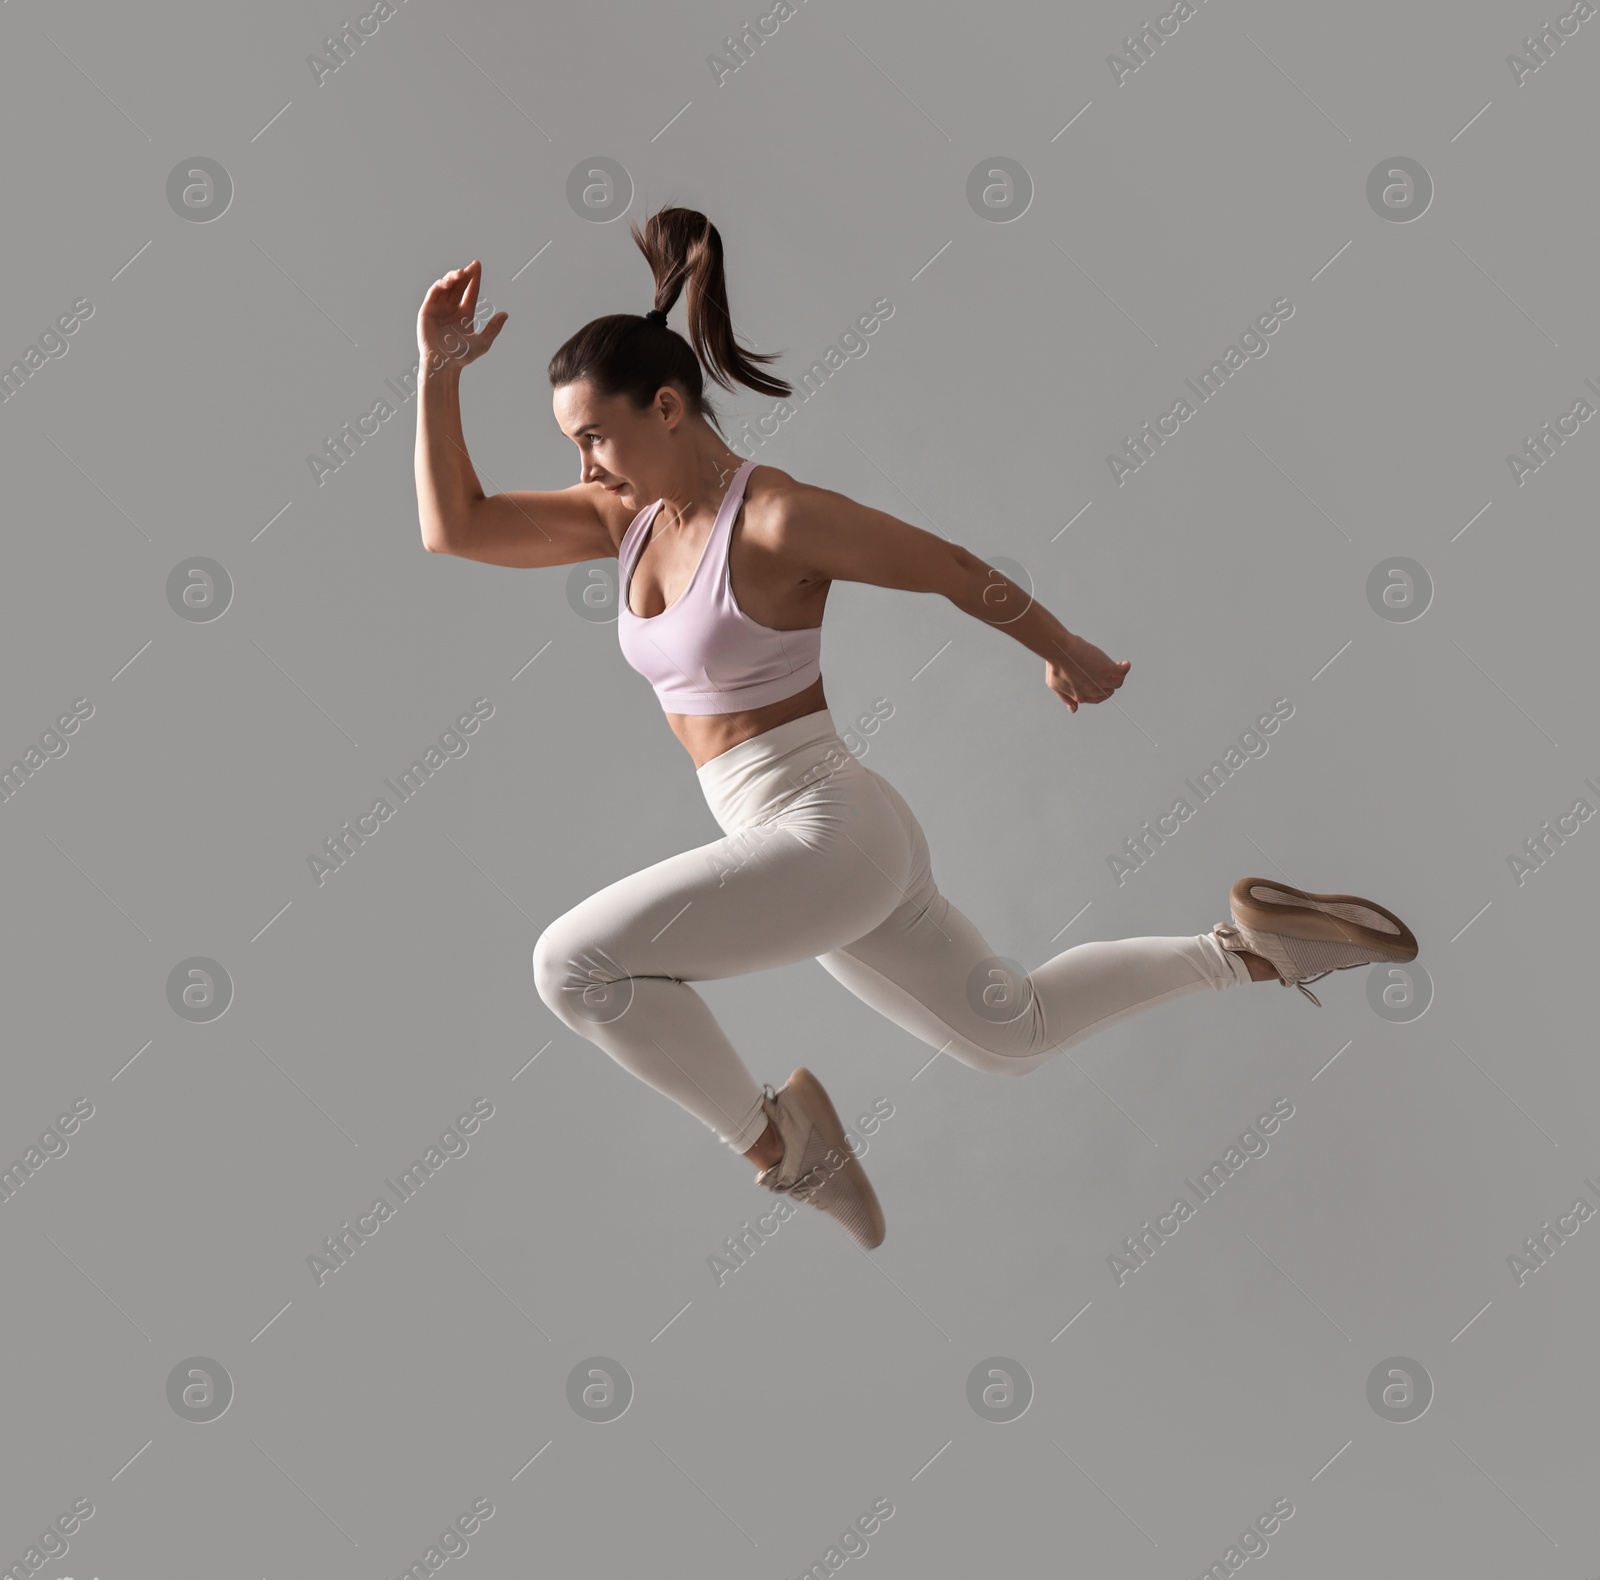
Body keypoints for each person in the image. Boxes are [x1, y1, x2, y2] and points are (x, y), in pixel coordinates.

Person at [413, 206, 1419, 1253]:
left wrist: (1061, 645)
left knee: (570, 965)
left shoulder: (775, 518)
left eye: (593, 436)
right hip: (811, 841)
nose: (583, 465)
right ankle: (1257, 947)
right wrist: (439, 372)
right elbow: (457, 526)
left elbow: (944, 564)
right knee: (1011, 1031)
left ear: (666, 406)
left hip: (822, 830)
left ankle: (780, 1144)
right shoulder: (624, 522)